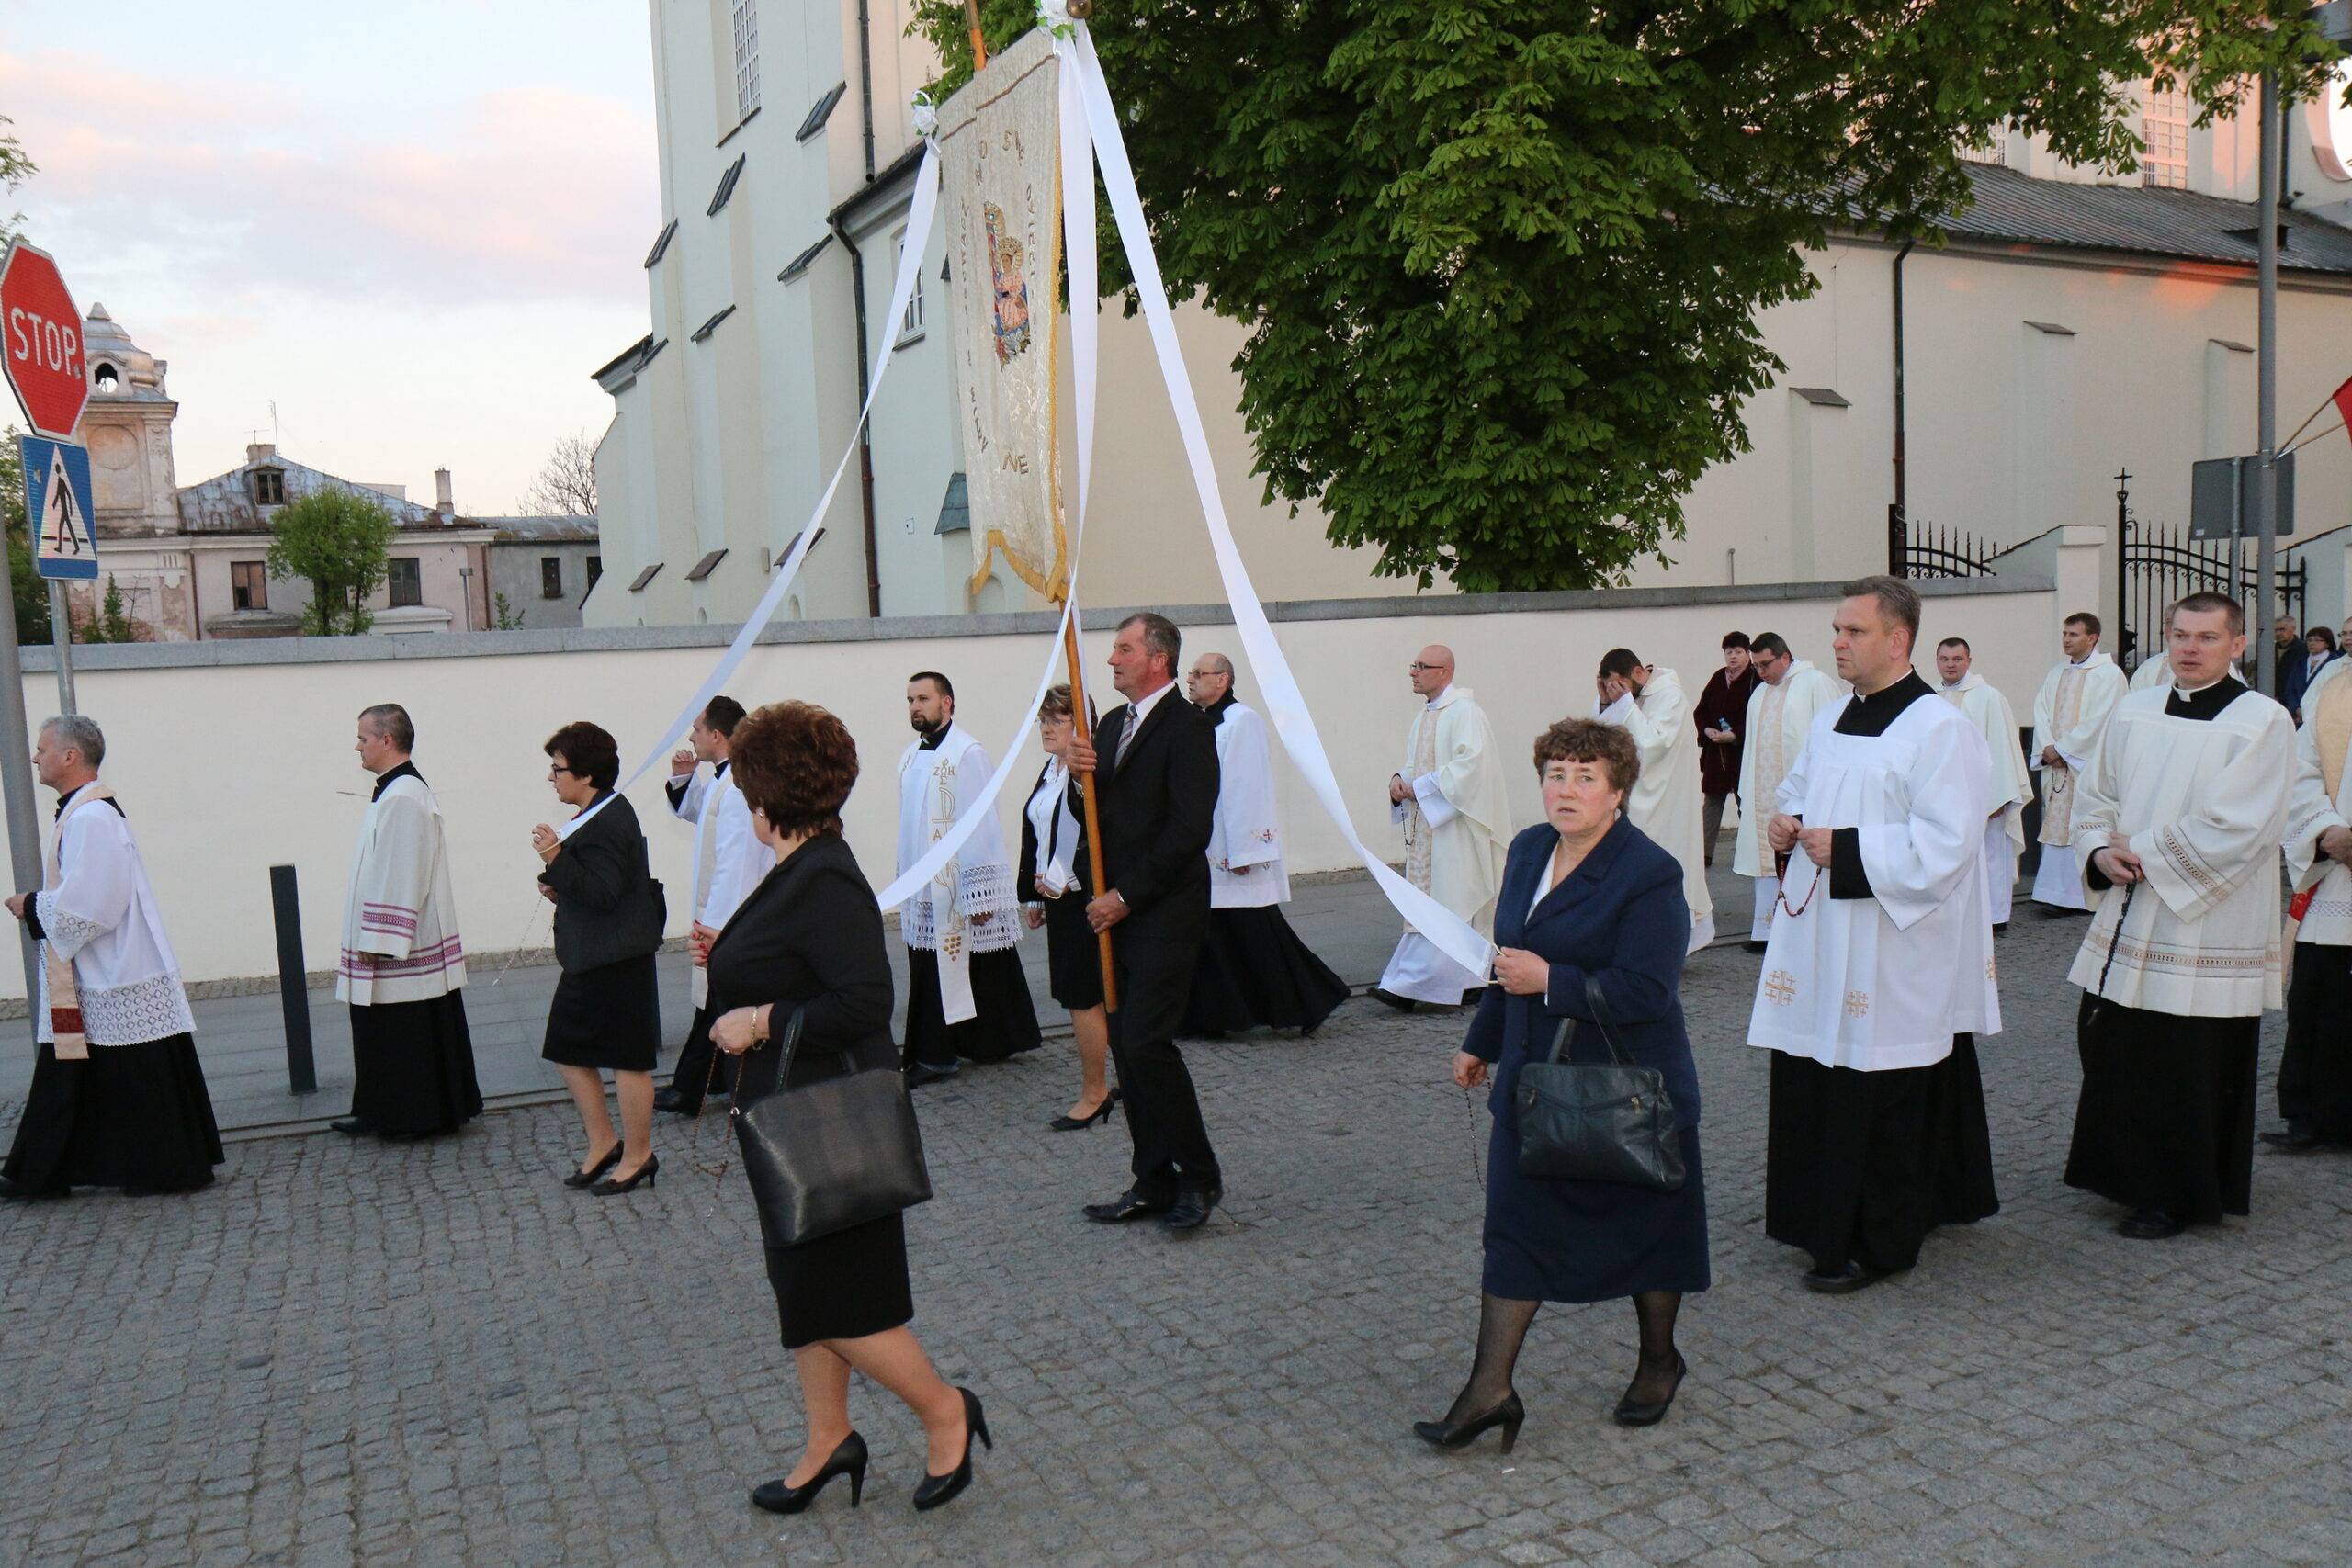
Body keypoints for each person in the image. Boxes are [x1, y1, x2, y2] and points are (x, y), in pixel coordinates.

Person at [707, 701, 989, 1517]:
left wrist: (761, 1018)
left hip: (825, 1125)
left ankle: (947, 1409)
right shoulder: (803, 866)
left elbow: (866, 999)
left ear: (767, 799)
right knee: (807, 1294)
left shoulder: (823, 876)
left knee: (839, 1305)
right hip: (797, 1119)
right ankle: (829, 1437)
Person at [1419, 718, 1709, 1454]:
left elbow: (1648, 989)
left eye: (1586, 776)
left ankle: (1659, 1360)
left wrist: (1553, 980)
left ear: (1618, 791)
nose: (1567, 789)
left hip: (1626, 1093)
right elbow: (1509, 958)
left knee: (1650, 1233)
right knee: (1514, 1232)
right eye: (1556, 773)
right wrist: (1481, 1040)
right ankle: (1490, 1390)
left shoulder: (1650, 873)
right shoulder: (1527, 850)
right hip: (1534, 1086)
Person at [1750, 578, 2001, 1292]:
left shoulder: (1940, 728)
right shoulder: (1833, 717)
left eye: (1853, 631)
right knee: (1817, 1071)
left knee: (1881, 1083)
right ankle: (1815, 1215)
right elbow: (1799, 789)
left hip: (1894, 940)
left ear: (1897, 640)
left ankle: (1877, 1237)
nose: (1837, 642)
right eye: (1836, 629)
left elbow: (1948, 843)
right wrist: (1787, 821)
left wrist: (1850, 849)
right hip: (1824, 934)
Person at [2064, 592, 2292, 1239]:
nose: (2190, 649)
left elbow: (2243, 825)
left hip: (2207, 920)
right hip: (2132, 904)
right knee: (2116, 1044)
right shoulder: (2133, 709)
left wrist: (2143, 850)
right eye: (2180, 635)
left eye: (2207, 637)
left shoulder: (2262, 721)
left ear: (2237, 645)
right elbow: (2096, 794)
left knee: (2184, 1058)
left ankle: (2174, 1192)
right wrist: (2099, 850)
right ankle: (2120, 1174)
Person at [0, 716, 220, 1198]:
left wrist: (32, 905)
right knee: (77, 1072)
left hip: (115, 970)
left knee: (114, 1074)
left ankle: (149, 1169)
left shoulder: (91, 818)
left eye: (42, 749)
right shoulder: (83, 812)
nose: (35, 758)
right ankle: (46, 1172)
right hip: (102, 968)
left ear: (70, 757)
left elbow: (94, 903)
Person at [1064, 613, 1227, 1233]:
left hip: (1163, 913)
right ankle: (1153, 1179)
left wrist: (1127, 896)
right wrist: (1079, 779)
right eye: (1113, 649)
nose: (1112, 659)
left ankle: (1199, 1176)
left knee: (1147, 1044)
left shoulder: (1189, 726)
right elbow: (1098, 815)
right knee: (1126, 1050)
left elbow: (1189, 828)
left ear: (1158, 659)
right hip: (1114, 914)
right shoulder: (1110, 724)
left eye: (1124, 649)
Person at [330, 703, 481, 1141]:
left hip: (401, 946)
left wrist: (379, 938)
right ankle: (378, 1108)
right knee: (381, 1030)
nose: (357, 746)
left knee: (403, 1030)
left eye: (363, 738)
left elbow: (401, 872)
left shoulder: (403, 797)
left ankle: (412, 1116)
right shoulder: (395, 791)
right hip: (400, 939)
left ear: (387, 740)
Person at [1179, 651, 1350, 1035]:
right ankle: (1221, 1016)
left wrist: (1247, 851)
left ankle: (1312, 998)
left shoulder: (1243, 720)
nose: (1190, 680)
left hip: (1234, 851)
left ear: (1222, 680)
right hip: (1207, 848)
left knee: (1257, 937)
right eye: (1190, 673)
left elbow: (1247, 786)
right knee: (1223, 939)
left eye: (1199, 673)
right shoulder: (1199, 722)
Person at [532, 721, 664, 1195]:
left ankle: (638, 1154)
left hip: (616, 958)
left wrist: (555, 858)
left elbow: (606, 893)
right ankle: (604, 1142)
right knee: (567, 1051)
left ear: (586, 775)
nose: (552, 777)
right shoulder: (595, 813)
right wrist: (559, 884)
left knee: (628, 1062)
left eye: (558, 768)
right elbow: (598, 885)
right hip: (592, 957)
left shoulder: (608, 818)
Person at [894, 671, 1040, 1087]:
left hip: (957, 883)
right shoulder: (910, 757)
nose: (915, 707)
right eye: (910, 700)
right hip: (925, 886)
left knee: (959, 964)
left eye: (923, 698)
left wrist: (981, 894)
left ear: (947, 703)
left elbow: (982, 823)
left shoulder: (967, 754)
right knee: (951, 966)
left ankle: (936, 1056)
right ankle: (991, 1041)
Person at [1373, 646, 1509, 1010]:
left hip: (1458, 830)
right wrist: (1401, 780)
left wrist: (1418, 787)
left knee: (1455, 902)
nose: (1413, 672)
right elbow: (1418, 764)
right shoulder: (1425, 716)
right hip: (1431, 828)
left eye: (1422, 666)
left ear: (1445, 672)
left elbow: (1471, 769)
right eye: (1413, 665)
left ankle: (1421, 984)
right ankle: (1430, 982)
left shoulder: (1466, 712)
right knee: (1433, 904)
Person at [656, 696, 773, 1114]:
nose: (692, 737)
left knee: (718, 1002)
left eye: (697, 730)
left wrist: (718, 927)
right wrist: (684, 778)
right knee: (714, 1003)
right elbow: (701, 814)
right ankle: (705, 1083)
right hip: (721, 914)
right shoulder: (725, 779)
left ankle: (692, 1087)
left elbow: (736, 862)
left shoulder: (739, 785)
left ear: (717, 735)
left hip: (729, 914)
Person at [1019, 685, 1119, 1130]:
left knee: (1086, 995)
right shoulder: (1050, 769)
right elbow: (1037, 830)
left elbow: (1091, 832)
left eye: (1057, 720)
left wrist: (1062, 881)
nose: (1046, 728)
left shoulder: (1086, 771)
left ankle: (1096, 1091)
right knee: (1082, 994)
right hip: (1058, 897)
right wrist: (1034, 894)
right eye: (1043, 719)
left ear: (1082, 726)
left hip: (1085, 898)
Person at [2274, 659, 2352, 1151]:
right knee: (2318, 1000)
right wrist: (2327, 830)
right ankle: (2313, 1116)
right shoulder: (2335, 689)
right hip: (2334, 876)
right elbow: (2300, 774)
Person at [1730, 632, 1843, 953]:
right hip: (1764, 795)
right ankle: (1766, 930)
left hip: (1804, 794)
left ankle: (1802, 926)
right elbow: (1751, 748)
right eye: (1756, 666)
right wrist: (1746, 791)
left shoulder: (1815, 683)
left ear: (1784, 657)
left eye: (1765, 664)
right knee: (1765, 860)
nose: (1760, 672)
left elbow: (1832, 739)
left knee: (1803, 860)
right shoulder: (1758, 694)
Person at [1596, 649, 1713, 952]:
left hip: (1668, 806)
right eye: (1611, 687)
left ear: (1638, 672)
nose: (1618, 692)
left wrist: (1624, 704)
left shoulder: (1670, 696)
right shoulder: (1632, 698)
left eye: (1620, 685)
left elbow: (1652, 745)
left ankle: (1668, 945)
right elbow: (1603, 742)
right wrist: (1606, 703)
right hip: (1638, 801)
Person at [2029, 613, 2127, 914]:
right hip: (2058, 766)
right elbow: (2042, 711)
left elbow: (2102, 719)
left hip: (2085, 767)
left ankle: (2081, 897)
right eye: (2065, 634)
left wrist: (2064, 749)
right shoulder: (2056, 673)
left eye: (2074, 634)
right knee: (2056, 826)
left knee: (2082, 824)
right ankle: (2052, 893)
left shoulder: (2109, 675)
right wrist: (2048, 748)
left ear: (2092, 638)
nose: (2066, 640)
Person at [1933, 640, 2031, 931]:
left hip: (1983, 793)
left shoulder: (1989, 697)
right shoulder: (1929, 697)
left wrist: (1998, 795)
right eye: (1944, 659)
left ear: (1969, 661)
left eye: (1957, 658)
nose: (1950, 664)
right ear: (1937, 661)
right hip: (1944, 793)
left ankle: (1994, 917)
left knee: (1990, 854)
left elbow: (2000, 745)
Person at [1692, 633, 1758, 869]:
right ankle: (1703, 853)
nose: (1733, 657)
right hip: (1717, 753)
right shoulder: (1719, 677)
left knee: (1746, 802)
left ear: (1747, 654)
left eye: (1738, 652)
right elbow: (1701, 710)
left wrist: (1736, 734)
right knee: (1712, 801)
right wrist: (1707, 729)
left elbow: (1757, 716)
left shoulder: (1755, 679)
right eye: (1729, 652)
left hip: (1742, 753)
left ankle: (1751, 851)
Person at [2282, 626, 2339, 723]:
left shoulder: (2335, 662)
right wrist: (2296, 708)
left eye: (2317, 640)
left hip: (2324, 715)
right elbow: (2290, 689)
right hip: (2299, 716)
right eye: (2309, 640)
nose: (2312, 643)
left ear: (2327, 643)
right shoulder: (2300, 663)